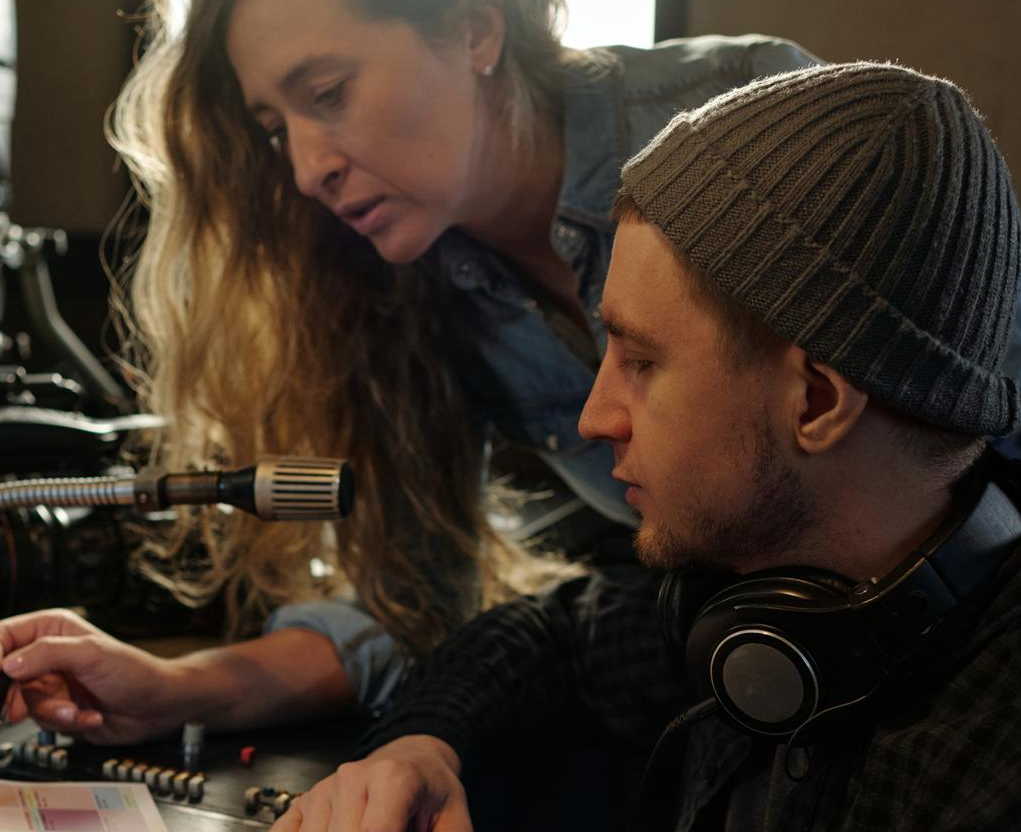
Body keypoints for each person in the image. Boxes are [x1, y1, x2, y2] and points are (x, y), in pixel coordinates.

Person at [0, 0, 821, 739]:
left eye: (328, 94)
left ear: (473, 28)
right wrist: (174, 689)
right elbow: (413, 605)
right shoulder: (406, 279)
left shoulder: (745, 115)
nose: (307, 171)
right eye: (276, 130)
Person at [270, 62, 1021, 832]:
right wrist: (417, 750)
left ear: (819, 401)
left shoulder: (985, 765)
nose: (595, 419)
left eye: (641, 362)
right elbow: (546, 639)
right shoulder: (770, 598)